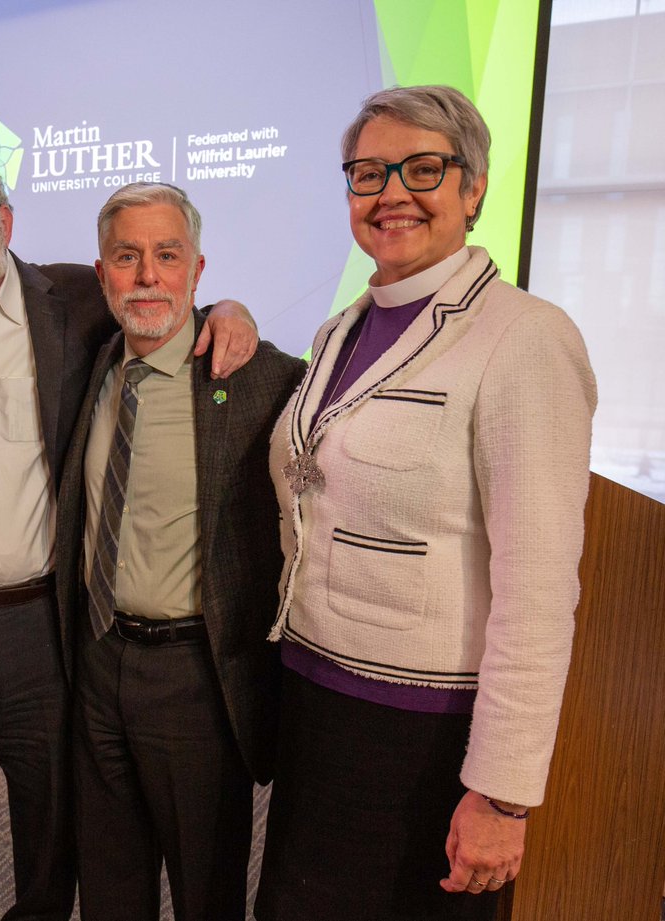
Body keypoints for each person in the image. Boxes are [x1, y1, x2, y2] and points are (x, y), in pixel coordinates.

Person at [0, 154, 259, 921]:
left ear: (5, 219)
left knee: (55, 837)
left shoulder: (70, 297)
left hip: (39, 625)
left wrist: (229, 306)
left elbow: (160, 292)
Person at [256, 85, 596, 921]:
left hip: (421, 733)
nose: (392, 193)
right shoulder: (345, 327)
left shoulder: (525, 337)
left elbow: (540, 590)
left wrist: (503, 793)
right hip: (315, 698)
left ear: (472, 188)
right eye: (369, 174)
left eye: (422, 168)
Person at [53, 182, 305, 920]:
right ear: (101, 274)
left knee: (205, 890)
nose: (147, 275)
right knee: (109, 882)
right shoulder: (91, 366)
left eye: (168, 255)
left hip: (196, 677)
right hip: (97, 661)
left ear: (198, 272)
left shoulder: (261, 380)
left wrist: (235, 310)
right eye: (126, 257)